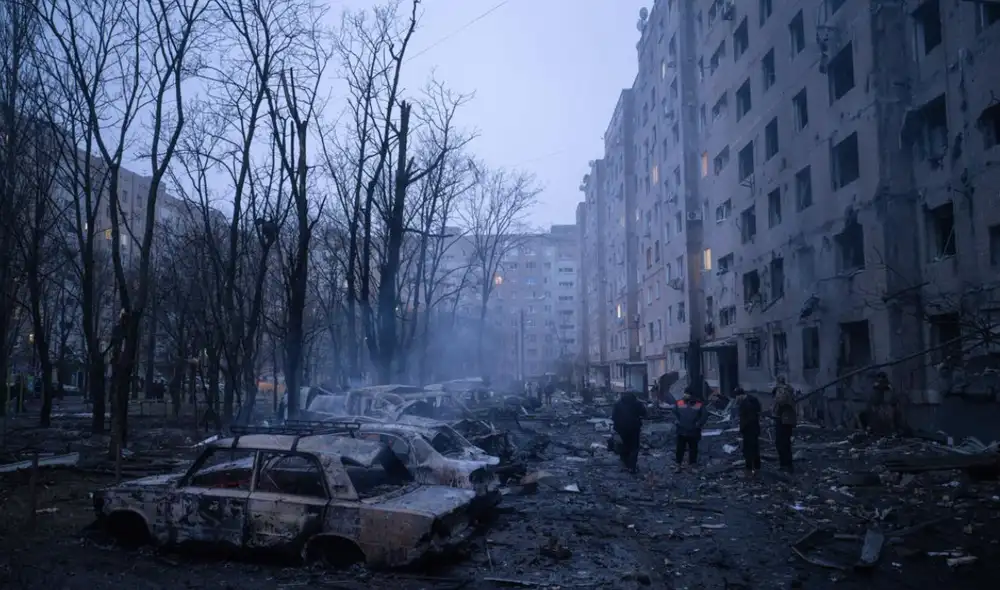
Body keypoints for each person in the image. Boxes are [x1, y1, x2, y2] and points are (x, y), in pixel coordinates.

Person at [612, 390, 647, 473]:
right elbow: (644, 413)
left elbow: (614, 417)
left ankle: (625, 463)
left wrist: (616, 427)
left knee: (624, 445)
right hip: (634, 428)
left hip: (621, 429)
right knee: (634, 447)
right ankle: (632, 467)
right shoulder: (637, 403)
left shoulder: (618, 403)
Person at [673, 388, 707, 472]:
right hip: (681, 430)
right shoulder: (679, 402)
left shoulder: (698, 404)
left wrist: (699, 423)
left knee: (693, 449)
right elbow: (674, 412)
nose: (685, 395)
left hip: (693, 431)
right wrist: (676, 420)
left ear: (692, 396)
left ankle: (692, 465)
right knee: (679, 449)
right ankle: (678, 465)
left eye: (687, 394)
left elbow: (704, 415)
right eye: (685, 393)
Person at [771, 376, 797, 473]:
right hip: (787, 419)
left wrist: (775, 409)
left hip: (782, 419)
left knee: (781, 443)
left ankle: (785, 465)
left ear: (778, 382)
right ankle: (787, 465)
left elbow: (781, 401)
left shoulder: (781, 390)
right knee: (785, 443)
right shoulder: (789, 390)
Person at [735, 387, 762, 477]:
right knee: (754, 448)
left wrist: (742, 428)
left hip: (749, 429)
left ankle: (749, 469)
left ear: (740, 395)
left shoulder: (746, 404)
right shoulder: (753, 400)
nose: (736, 399)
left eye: (736, 397)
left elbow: (746, 419)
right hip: (754, 429)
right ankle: (757, 467)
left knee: (748, 450)